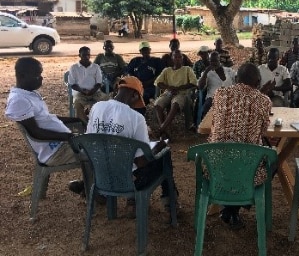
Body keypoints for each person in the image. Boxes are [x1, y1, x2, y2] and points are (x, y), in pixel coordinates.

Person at [86, 76, 177, 220]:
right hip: (128, 178)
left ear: (118, 89)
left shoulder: (97, 107)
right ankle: (169, 204)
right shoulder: (136, 118)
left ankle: (115, 197)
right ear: (135, 95)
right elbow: (141, 162)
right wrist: (157, 147)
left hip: (101, 173)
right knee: (164, 154)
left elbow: (90, 140)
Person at [5, 57, 84, 193]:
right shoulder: (19, 100)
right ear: (22, 76)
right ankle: (94, 190)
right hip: (55, 151)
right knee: (97, 151)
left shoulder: (29, 94)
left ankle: (87, 184)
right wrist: (68, 136)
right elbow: (35, 132)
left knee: (94, 144)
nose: (41, 78)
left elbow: (47, 118)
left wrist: (74, 120)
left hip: (59, 144)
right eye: (37, 75)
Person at [209, 63, 272, 229]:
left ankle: (229, 210)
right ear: (258, 82)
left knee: (232, 154)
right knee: (273, 161)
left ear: (236, 79)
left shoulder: (220, 94)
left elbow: (215, 123)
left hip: (215, 167)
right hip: (247, 171)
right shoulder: (264, 101)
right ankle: (234, 209)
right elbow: (264, 131)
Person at [154, 50, 198, 136]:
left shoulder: (187, 69)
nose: (178, 59)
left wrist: (178, 88)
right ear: (172, 59)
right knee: (157, 104)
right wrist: (169, 87)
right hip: (168, 92)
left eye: (180, 57)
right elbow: (158, 82)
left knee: (175, 103)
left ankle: (162, 128)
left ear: (182, 59)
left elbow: (193, 83)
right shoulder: (167, 70)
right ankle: (165, 131)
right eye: (175, 57)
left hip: (182, 93)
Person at [68, 46, 109, 125]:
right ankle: (86, 124)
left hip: (95, 92)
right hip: (80, 92)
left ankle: (101, 122)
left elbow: (99, 82)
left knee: (107, 100)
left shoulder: (96, 67)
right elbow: (72, 84)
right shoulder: (74, 68)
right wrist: (82, 90)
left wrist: (92, 91)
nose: (87, 57)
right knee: (77, 104)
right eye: (84, 55)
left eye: (88, 55)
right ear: (79, 55)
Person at [198, 51, 236, 119]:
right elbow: (200, 87)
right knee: (207, 106)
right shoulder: (207, 73)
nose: (213, 63)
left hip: (229, 96)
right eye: (211, 61)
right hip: (213, 97)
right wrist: (206, 72)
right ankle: (205, 127)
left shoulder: (229, 71)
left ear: (219, 60)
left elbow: (238, 81)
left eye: (215, 60)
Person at [125, 41, 164, 105]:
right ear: (140, 51)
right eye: (143, 50)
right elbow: (128, 72)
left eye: (146, 49)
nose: (145, 51)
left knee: (143, 95)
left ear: (150, 50)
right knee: (128, 95)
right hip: (136, 85)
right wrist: (136, 82)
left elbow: (160, 74)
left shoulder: (156, 61)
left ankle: (141, 111)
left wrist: (149, 82)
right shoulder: (135, 61)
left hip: (151, 86)